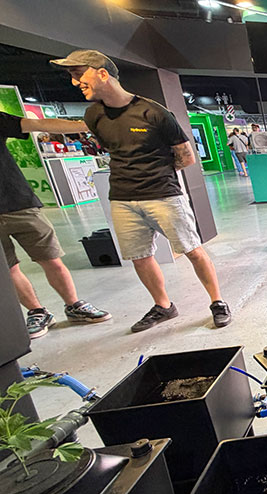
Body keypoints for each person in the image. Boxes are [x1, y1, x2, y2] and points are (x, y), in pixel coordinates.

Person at [51, 49, 231, 332]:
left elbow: (186, 157)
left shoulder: (153, 112)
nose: (75, 82)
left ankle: (217, 302)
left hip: (163, 194)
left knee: (192, 250)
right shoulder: (94, 114)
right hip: (122, 198)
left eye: (78, 74)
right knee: (140, 256)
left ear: (102, 73)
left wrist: (156, 174)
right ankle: (163, 305)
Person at [0, 112, 110, 338]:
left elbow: (38, 124)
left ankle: (74, 305)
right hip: (17, 204)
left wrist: (88, 125)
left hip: (18, 203)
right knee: (9, 269)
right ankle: (37, 312)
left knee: (51, 258)